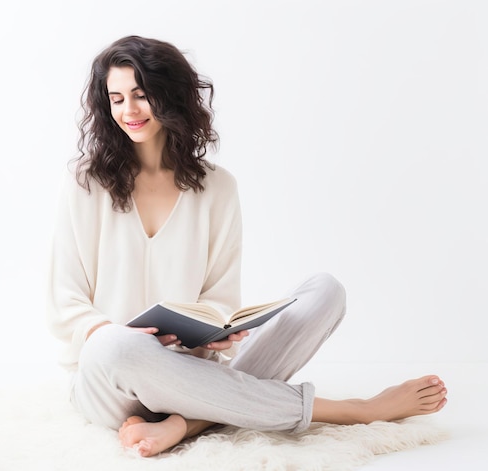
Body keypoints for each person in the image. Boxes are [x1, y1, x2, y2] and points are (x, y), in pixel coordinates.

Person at [46, 35, 447, 458]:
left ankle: (185, 422)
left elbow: (219, 296)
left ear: (169, 97)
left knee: (326, 291)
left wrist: (215, 331)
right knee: (117, 344)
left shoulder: (218, 187)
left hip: (191, 367)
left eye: (142, 96)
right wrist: (113, 332)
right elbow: (65, 301)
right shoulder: (84, 184)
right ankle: (351, 410)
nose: (129, 111)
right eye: (117, 98)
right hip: (111, 379)